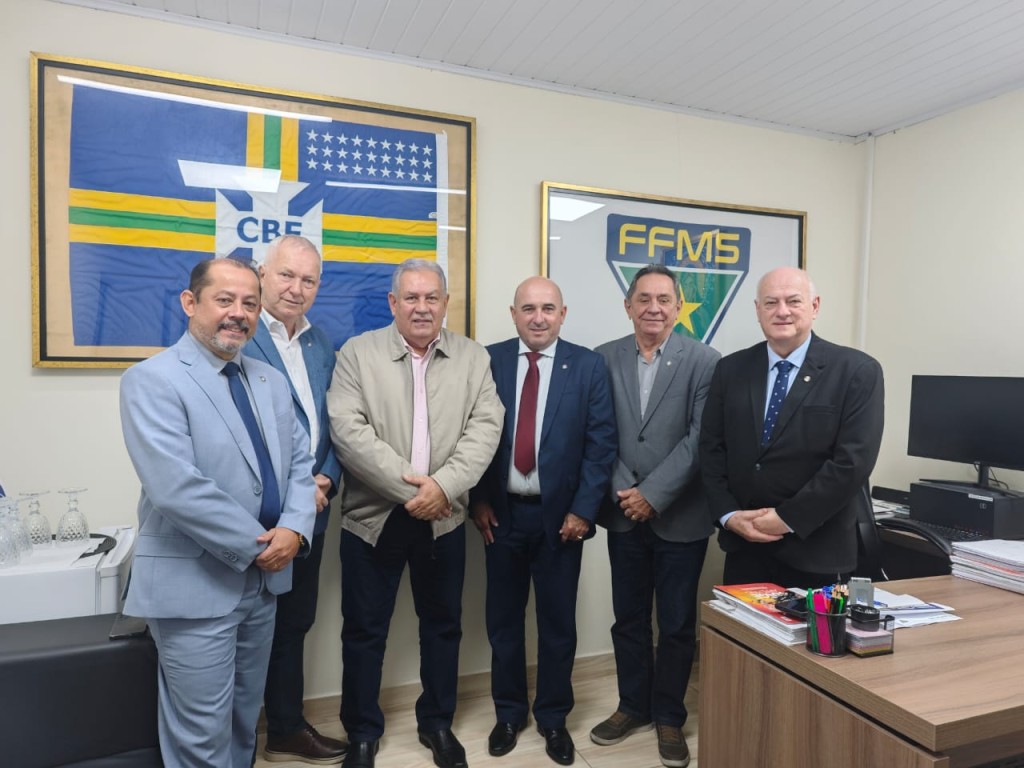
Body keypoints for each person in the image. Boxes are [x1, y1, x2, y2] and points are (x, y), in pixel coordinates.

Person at [119, 258, 316, 768]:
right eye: (224, 300)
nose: (238, 313)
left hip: (264, 584)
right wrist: (261, 545)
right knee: (201, 736)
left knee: (243, 721)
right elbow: (176, 487)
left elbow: (301, 464)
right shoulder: (153, 379)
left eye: (249, 303)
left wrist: (294, 530)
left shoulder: (270, 381)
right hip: (196, 584)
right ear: (191, 303)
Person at [327, 258, 503, 768]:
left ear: (446, 303)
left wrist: (442, 488)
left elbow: (485, 429)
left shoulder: (473, 358)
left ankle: (437, 724)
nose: (421, 307)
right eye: (411, 297)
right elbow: (348, 432)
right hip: (372, 519)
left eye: (431, 298)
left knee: (443, 627)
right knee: (364, 631)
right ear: (393, 303)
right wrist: (412, 490)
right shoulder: (356, 354)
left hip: (443, 519)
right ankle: (362, 732)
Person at [469, 277, 616, 766]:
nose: (538, 317)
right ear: (513, 313)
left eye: (548, 308)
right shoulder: (488, 360)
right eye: (528, 308)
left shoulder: (588, 365)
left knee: (557, 626)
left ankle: (553, 717)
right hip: (501, 515)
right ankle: (509, 714)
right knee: (503, 623)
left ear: (563, 314)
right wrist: (477, 500)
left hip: (562, 521)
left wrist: (583, 511)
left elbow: (600, 446)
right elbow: (471, 436)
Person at [590, 264, 721, 768]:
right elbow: (598, 431)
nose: (654, 308)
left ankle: (669, 715)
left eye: (664, 299)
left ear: (679, 307)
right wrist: (628, 492)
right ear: (628, 306)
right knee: (628, 618)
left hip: (681, 515)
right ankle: (632, 706)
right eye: (643, 298)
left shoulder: (705, 361)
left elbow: (700, 438)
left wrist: (653, 493)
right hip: (624, 512)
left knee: (677, 623)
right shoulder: (603, 358)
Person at [698, 266, 884, 589]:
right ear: (758, 310)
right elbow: (711, 449)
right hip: (745, 547)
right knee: (737, 626)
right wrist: (728, 515)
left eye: (793, 301)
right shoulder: (730, 369)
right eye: (771, 303)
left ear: (814, 306)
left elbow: (852, 463)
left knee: (811, 628)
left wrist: (786, 519)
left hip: (817, 551)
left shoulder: (856, 371)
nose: (782, 311)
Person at [243, 236, 347, 764]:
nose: (296, 288)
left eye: (308, 280)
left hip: (315, 513)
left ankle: (284, 728)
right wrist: (298, 492)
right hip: (259, 518)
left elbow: (335, 422)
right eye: (286, 275)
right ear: (262, 273)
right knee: (244, 629)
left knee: (294, 623)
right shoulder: (239, 334)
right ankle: (236, 740)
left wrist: (325, 478)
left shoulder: (319, 342)